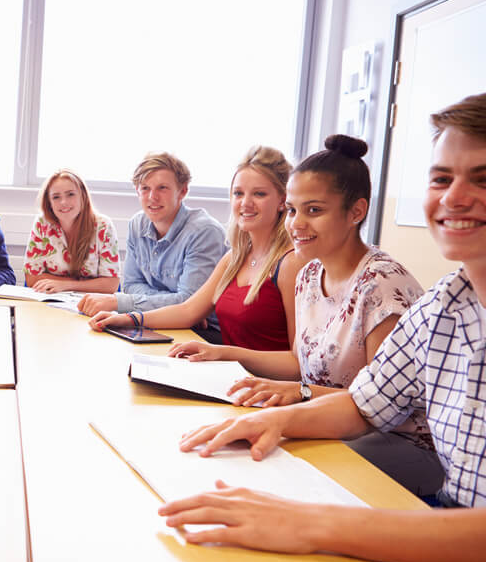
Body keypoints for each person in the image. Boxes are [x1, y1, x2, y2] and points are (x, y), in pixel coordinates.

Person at [158, 93, 486, 562]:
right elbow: (363, 403)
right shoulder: (444, 305)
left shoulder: (385, 283)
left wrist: (315, 524)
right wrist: (277, 421)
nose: (454, 197)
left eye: (481, 179)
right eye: (441, 178)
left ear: (356, 212)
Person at [163, 135, 442, 495]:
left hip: (402, 441)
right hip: (327, 417)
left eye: (314, 210)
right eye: (293, 209)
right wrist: (239, 362)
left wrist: (300, 393)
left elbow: (385, 407)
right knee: (239, 448)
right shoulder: (310, 274)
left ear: (356, 212)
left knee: (283, 467)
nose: (296, 223)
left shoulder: (382, 285)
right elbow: (300, 362)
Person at [89, 146, 305, 351]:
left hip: (250, 376)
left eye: (259, 194)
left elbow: (299, 365)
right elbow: (188, 310)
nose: (245, 203)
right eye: (238, 193)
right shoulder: (234, 258)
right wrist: (126, 318)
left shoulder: (291, 263)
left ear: (282, 201)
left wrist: (223, 354)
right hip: (230, 371)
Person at [77, 152, 226, 339]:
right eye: (145, 188)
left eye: (162, 188)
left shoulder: (204, 231)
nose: (152, 197)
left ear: (182, 192)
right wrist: (173, 301)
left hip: (204, 331)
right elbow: (131, 285)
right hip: (156, 321)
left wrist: (118, 302)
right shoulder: (137, 224)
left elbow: (188, 303)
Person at [23, 169, 120, 294]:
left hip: (91, 302)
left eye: (70, 194)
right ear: (49, 203)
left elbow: (110, 284)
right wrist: (86, 283)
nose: (63, 202)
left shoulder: (103, 226)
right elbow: (32, 278)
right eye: (56, 197)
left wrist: (65, 285)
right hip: (50, 299)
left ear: (82, 196)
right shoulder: (41, 224)